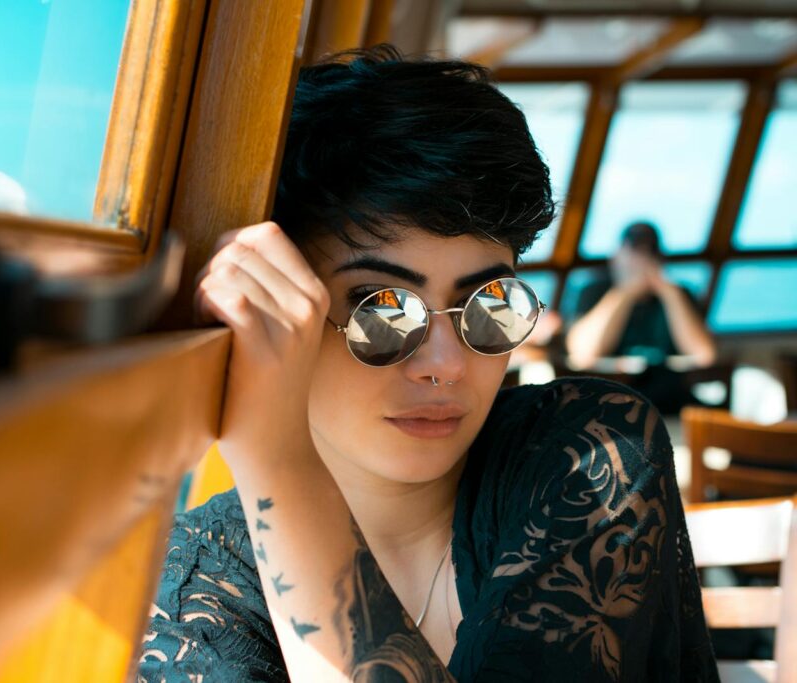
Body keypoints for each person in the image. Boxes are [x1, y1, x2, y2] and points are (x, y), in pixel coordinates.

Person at [139, 47, 717, 682]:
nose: (446, 365)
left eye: (488, 305)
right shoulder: (192, 598)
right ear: (281, 309)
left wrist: (278, 458)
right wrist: (271, 452)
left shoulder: (590, 455)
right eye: (381, 311)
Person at [565, 221, 717, 414]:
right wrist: (625, 292)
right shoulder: (594, 291)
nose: (642, 260)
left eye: (650, 253)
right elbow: (583, 353)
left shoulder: (679, 294)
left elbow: (705, 355)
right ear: (616, 256)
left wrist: (670, 293)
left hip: (668, 395)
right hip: (608, 398)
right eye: (634, 252)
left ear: (660, 258)